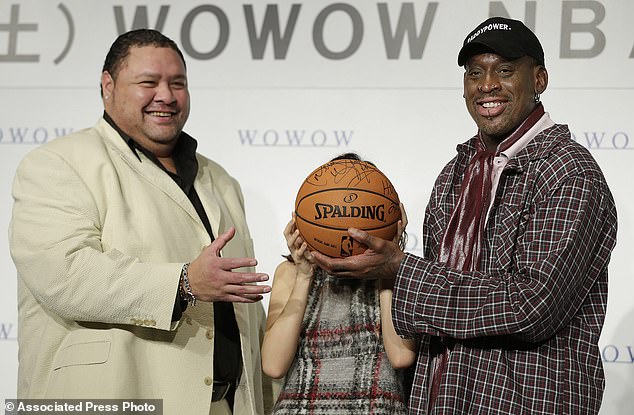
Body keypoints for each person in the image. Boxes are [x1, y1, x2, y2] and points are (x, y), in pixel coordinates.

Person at [308, 17, 618, 415]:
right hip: (442, 398)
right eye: (475, 72)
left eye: (504, 70)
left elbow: (531, 306)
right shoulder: (454, 173)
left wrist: (401, 270)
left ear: (539, 80)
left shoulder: (568, 173)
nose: (487, 84)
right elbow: (438, 310)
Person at [9, 29, 274, 415]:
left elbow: (240, 301)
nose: (165, 95)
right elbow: (63, 273)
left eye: (177, 83)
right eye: (148, 82)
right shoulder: (58, 162)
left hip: (224, 404)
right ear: (108, 86)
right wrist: (184, 282)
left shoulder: (221, 181)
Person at [261, 153, 417, 414]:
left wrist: (387, 267)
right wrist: (304, 274)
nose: (346, 220)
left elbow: (401, 357)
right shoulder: (290, 273)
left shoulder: (401, 274)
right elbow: (273, 365)